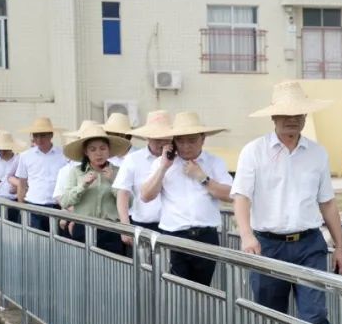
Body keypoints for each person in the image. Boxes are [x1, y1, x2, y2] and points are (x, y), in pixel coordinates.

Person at [232, 81, 342, 324]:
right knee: (270, 318)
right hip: (268, 245)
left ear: (305, 116)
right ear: (273, 116)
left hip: (309, 245)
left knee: (315, 317)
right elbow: (241, 196)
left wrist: (340, 246)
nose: (291, 119)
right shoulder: (254, 151)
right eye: (285, 114)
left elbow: (327, 202)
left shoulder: (318, 153)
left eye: (297, 113)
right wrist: (246, 236)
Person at [140, 112, 233, 286]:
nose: (186, 146)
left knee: (203, 289)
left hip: (206, 236)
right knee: (176, 291)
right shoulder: (162, 164)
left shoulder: (215, 162)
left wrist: (203, 178)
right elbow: (145, 195)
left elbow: (231, 195)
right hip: (174, 235)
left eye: (191, 140)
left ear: (202, 139)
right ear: (173, 141)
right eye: (180, 141)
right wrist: (163, 168)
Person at [57, 125, 130, 254]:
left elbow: (130, 203)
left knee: (111, 270)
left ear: (109, 150)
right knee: (82, 270)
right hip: (83, 228)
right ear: (86, 152)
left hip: (111, 230)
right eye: (93, 149)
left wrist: (113, 181)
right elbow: (65, 201)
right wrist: (82, 186)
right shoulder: (76, 172)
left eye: (103, 148)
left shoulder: (118, 172)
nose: (98, 153)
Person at [114, 110, 171, 245]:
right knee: (144, 265)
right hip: (144, 225)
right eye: (157, 138)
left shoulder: (178, 160)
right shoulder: (133, 159)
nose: (161, 143)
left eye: (166, 138)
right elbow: (122, 192)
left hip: (173, 227)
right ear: (147, 137)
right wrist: (125, 226)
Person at [13, 117, 68, 232]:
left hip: (56, 206)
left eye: (42, 135)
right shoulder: (25, 156)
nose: (39, 139)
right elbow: (22, 184)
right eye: (36, 135)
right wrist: (21, 206)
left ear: (51, 135)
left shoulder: (63, 155)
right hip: (33, 206)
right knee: (32, 243)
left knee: (57, 244)